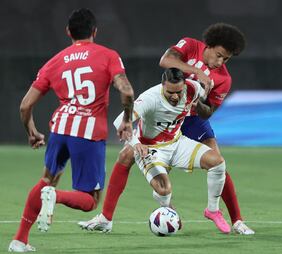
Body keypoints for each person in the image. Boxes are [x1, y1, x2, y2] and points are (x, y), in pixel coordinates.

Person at [79, 23, 254, 235]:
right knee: (128, 154)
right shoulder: (190, 46)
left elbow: (208, 113)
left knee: (218, 163)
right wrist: (197, 71)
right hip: (166, 111)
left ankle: (234, 219)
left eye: (226, 59)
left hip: (191, 118)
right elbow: (166, 61)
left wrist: (197, 101)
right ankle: (109, 217)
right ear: (209, 45)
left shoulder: (223, 79)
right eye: (218, 55)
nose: (220, 62)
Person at [8, 8, 134, 252]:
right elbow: (127, 91)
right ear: (95, 31)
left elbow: (25, 106)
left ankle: (20, 239)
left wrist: (31, 131)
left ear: (68, 32)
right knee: (90, 201)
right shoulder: (108, 55)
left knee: (47, 179)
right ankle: (55, 196)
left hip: (60, 128)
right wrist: (127, 119)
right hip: (88, 133)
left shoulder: (55, 61)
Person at [81, 68, 230, 233]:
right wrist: (135, 142)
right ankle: (168, 208)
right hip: (150, 148)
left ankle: (213, 210)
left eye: (178, 92)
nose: (175, 96)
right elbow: (119, 121)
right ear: (163, 86)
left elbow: (206, 102)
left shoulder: (193, 88)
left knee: (218, 163)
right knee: (164, 188)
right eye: (170, 92)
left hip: (177, 142)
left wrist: (201, 103)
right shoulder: (150, 99)